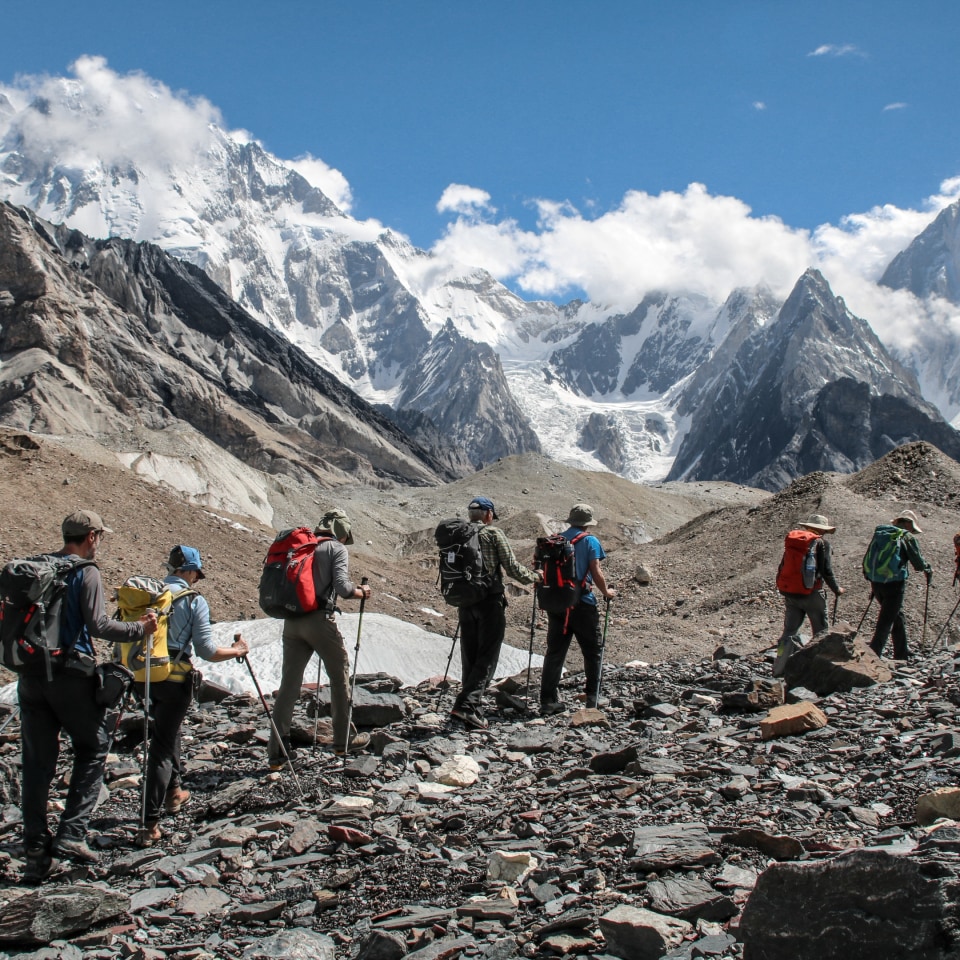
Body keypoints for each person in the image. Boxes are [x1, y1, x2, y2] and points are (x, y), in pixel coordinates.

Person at [17, 511, 159, 884]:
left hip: (31, 677)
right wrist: (140, 627)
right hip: (69, 674)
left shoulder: (39, 567)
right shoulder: (85, 571)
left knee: (36, 761)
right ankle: (71, 835)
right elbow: (98, 625)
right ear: (92, 536)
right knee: (93, 746)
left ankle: (34, 845)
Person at [135, 546, 249, 847]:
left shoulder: (147, 594)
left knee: (165, 732)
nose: (196, 579)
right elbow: (207, 651)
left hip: (140, 677)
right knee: (160, 746)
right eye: (196, 573)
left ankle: (174, 792)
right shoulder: (192, 600)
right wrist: (237, 651)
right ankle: (149, 824)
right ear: (187, 571)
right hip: (174, 679)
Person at [267, 510, 371, 768]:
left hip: (291, 622)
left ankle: (277, 753)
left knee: (289, 684)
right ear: (340, 530)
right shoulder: (336, 548)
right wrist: (362, 592)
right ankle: (343, 740)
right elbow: (344, 589)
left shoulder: (301, 546)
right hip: (319, 620)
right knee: (339, 675)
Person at [451, 496, 541, 730]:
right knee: (488, 655)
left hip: (465, 601)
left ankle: (469, 707)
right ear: (489, 514)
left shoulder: (458, 534)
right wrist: (536, 576)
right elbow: (511, 567)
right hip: (489, 600)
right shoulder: (493, 534)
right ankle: (467, 705)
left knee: (469, 655)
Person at [539, 504, 616, 715]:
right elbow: (595, 570)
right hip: (583, 603)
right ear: (587, 523)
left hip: (558, 604)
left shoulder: (557, 540)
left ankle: (547, 701)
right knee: (592, 651)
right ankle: (593, 698)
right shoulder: (590, 540)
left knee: (555, 652)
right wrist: (607, 592)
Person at [773, 514, 845, 677]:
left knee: (789, 631)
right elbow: (826, 571)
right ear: (822, 529)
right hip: (812, 594)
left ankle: (778, 666)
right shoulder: (821, 543)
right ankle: (820, 670)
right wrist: (836, 589)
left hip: (791, 593)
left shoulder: (794, 542)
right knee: (820, 631)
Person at [866, 510, 932, 661]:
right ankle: (873, 655)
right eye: (913, 528)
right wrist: (928, 568)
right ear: (908, 523)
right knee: (886, 620)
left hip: (877, 583)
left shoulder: (881, 534)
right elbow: (918, 563)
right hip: (894, 585)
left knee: (897, 616)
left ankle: (901, 654)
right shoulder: (906, 537)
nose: (912, 531)